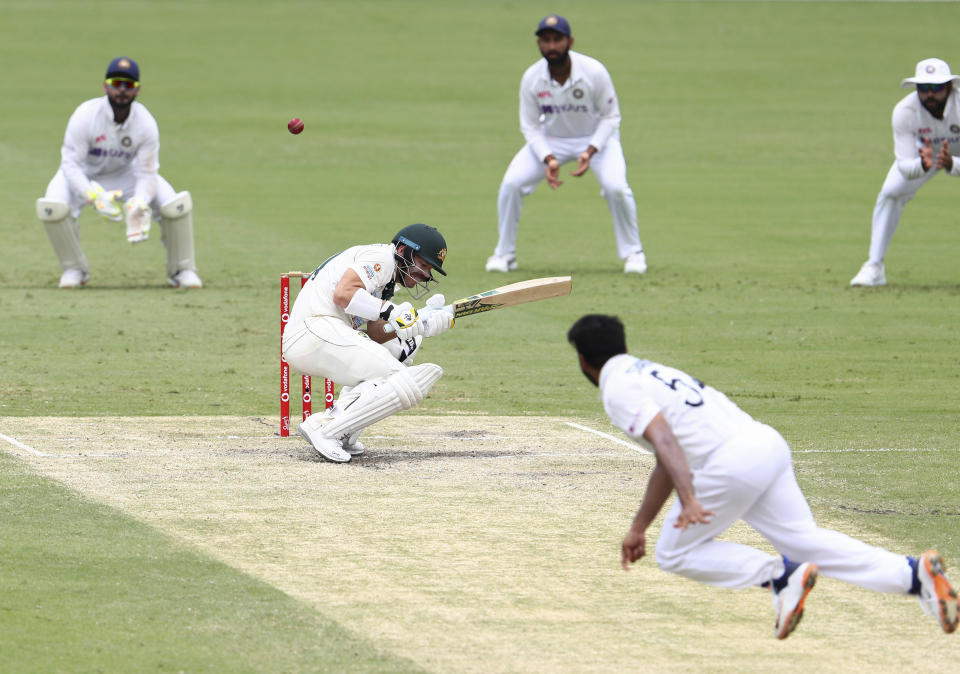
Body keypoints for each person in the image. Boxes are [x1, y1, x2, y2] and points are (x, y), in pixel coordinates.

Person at [567, 313, 959, 639]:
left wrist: (689, 500)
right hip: (764, 444)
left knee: (674, 553)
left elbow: (666, 442)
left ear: (584, 361)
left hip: (728, 462)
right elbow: (664, 458)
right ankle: (913, 574)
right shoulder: (649, 370)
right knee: (803, 541)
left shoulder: (617, 387)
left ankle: (780, 576)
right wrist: (639, 527)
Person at [485, 15, 647, 275]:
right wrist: (548, 157)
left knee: (616, 187)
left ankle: (634, 252)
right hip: (552, 140)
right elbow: (530, 126)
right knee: (511, 183)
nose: (552, 46)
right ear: (539, 43)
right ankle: (505, 253)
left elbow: (611, 117)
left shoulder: (594, 71)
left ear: (569, 41)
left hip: (596, 140)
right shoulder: (531, 78)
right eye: (546, 40)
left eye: (557, 40)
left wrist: (590, 150)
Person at [282, 224, 455, 463]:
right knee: (398, 377)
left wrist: (421, 322)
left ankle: (343, 430)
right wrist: (391, 311)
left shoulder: (387, 284)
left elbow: (377, 334)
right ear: (403, 250)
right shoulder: (382, 258)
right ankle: (323, 427)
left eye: (430, 269)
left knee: (399, 351)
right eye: (423, 265)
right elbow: (343, 294)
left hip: (323, 334)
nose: (426, 275)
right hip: (314, 330)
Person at [35, 57, 202, 289]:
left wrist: (140, 202)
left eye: (129, 85)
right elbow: (71, 165)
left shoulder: (145, 123)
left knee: (174, 206)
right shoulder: (85, 115)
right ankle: (74, 269)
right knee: (52, 207)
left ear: (138, 90)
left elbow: (147, 172)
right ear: (105, 86)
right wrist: (91, 195)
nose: (122, 90)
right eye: (116, 83)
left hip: (126, 175)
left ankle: (182, 270)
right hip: (84, 174)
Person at [851, 57, 960, 287]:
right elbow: (904, 165)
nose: (929, 94)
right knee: (891, 191)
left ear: (949, 87)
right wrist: (922, 165)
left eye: (936, 88)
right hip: (926, 155)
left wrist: (953, 164)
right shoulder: (904, 111)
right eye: (924, 88)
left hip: (955, 156)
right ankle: (874, 266)